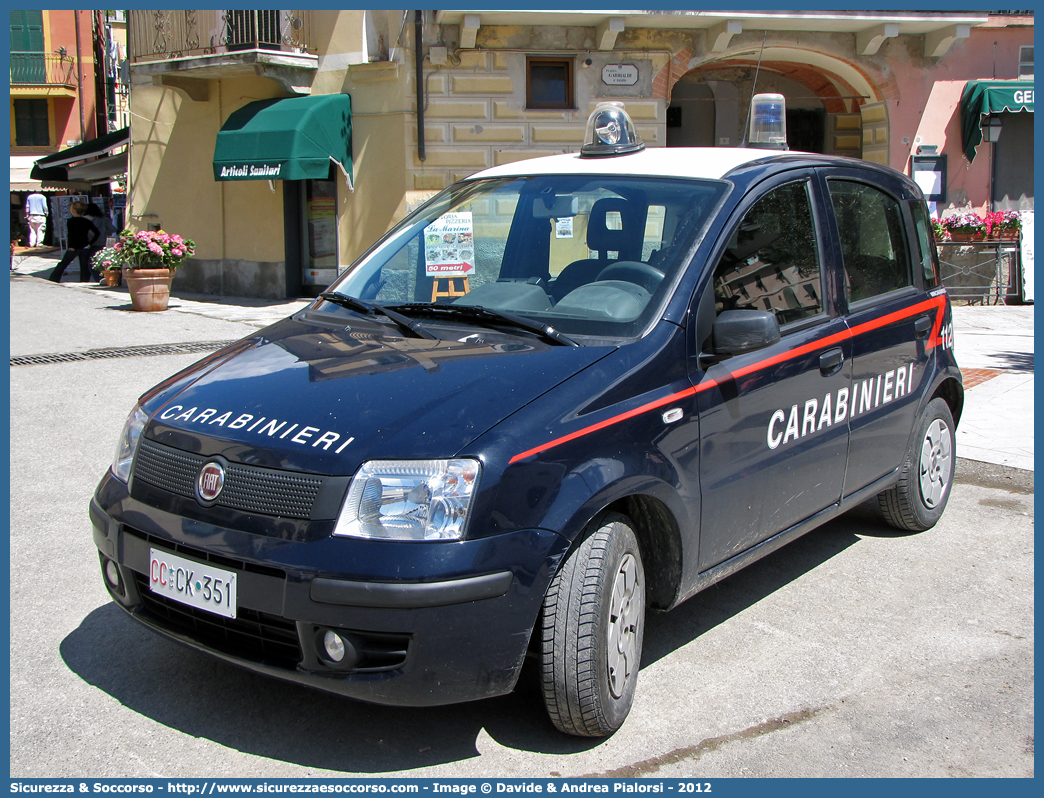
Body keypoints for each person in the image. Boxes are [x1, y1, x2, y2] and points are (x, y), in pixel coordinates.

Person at [49, 201, 99, 283]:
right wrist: (90, 243)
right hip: (85, 245)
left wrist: (70, 246)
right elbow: (97, 233)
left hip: (74, 246)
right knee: (84, 267)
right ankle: (84, 281)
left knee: (63, 263)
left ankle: (53, 279)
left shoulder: (71, 221)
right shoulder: (86, 221)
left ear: (74, 211)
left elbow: (71, 234)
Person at [83, 203, 117, 281]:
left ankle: (96, 278)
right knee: (101, 261)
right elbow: (113, 229)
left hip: (89, 244)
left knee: (90, 263)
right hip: (102, 243)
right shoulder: (103, 220)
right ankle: (102, 277)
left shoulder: (85, 220)